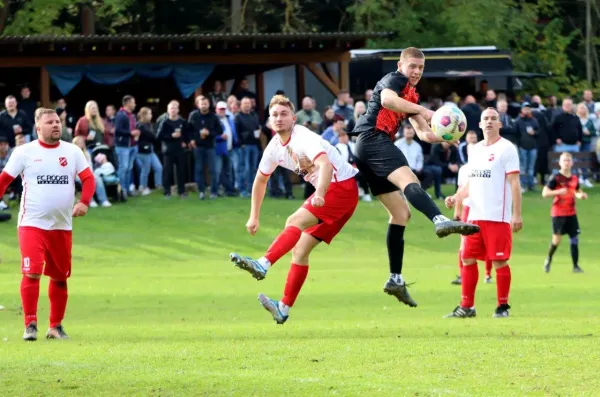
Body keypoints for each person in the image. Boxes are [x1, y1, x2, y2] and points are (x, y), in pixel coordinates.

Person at [351, 46, 479, 307]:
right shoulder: (394, 80)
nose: (416, 72)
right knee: (411, 181)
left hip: (368, 148)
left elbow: (423, 134)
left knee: (401, 215)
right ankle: (439, 219)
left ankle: (395, 279)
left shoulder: (410, 95)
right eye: (412, 66)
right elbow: (387, 101)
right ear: (401, 65)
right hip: (373, 139)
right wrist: (426, 112)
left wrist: (445, 135)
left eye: (421, 68)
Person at [229, 95, 359, 324]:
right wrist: (254, 217)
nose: (279, 119)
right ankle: (283, 308)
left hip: (340, 188)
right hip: (338, 196)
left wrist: (319, 193)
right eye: (274, 115)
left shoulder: (304, 137)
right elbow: (260, 181)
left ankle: (263, 263)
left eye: (283, 114)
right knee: (299, 251)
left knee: (293, 221)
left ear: (293, 118)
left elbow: (325, 165)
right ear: (269, 121)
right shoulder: (273, 149)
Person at [0, 108, 95, 341]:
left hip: (62, 226)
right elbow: (4, 180)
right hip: (32, 223)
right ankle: (30, 324)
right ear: (38, 127)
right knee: (32, 272)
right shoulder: (24, 152)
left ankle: (55, 326)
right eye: (50, 122)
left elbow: (88, 179)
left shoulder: (72, 151)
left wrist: (84, 202)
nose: (56, 125)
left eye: (58, 122)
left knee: (60, 277)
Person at [444, 107, 522, 318]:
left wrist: (516, 214)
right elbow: (472, 181)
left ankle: (502, 307)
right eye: (485, 118)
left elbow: (515, 184)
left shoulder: (507, 149)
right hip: (474, 216)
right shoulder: (475, 149)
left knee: (499, 261)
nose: (489, 121)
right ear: (479, 124)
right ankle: (467, 307)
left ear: (500, 124)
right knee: (467, 258)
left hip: (497, 216)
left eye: (493, 118)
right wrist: (457, 196)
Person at [450, 144, 493, 286]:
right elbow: (461, 190)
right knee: (463, 244)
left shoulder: (488, 168)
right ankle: (463, 275)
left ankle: (488, 274)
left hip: (485, 209)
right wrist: (457, 210)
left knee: (488, 242)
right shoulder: (464, 170)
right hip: (468, 209)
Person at [542, 152, 587, 273]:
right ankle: (548, 259)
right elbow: (545, 193)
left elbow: (576, 190)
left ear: (572, 163)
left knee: (574, 238)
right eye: (564, 160)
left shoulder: (574, 178)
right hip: (558, 214)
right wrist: (558, 192)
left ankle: (575, 266)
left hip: (571, 213)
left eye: (568, 160)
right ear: (560, 163)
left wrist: (580, 195)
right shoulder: (555, 178)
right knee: (556, 240)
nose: (566, 163)